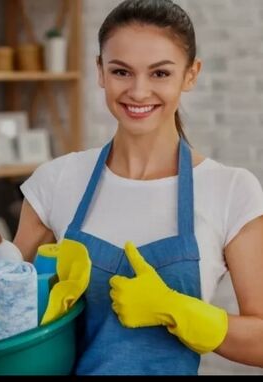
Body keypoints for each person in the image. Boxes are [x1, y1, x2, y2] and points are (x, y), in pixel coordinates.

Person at [14, 0, 263, 375]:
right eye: (121, 72)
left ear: (191, 75)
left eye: (160, 74)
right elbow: (2, 311)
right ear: (100, 71)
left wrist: (178, 310)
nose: (139, 91)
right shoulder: (56, 182)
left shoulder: (230, 190)